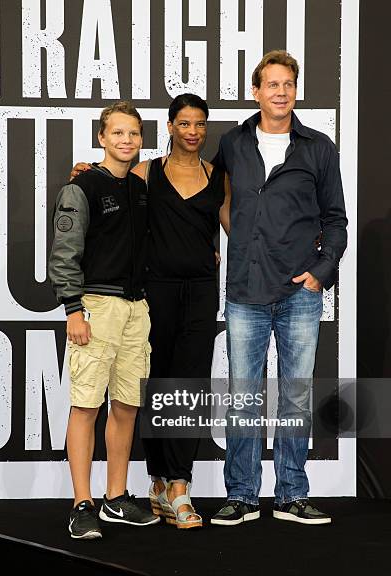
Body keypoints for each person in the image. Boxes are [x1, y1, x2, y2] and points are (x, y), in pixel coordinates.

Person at [72, 94, 229, 529]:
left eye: (200, 124)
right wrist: (84, 171)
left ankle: (181, 485)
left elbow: (239, 229)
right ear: (170, 127)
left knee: (190, 388)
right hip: (152, 292)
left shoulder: (218, 177)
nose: (193, 131)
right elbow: (110, 181)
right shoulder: (147, 172)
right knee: (154, 387)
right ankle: (157, 482)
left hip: (200, 292)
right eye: (184, 123)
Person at [210, 50, 347, 526]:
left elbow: (336, 220)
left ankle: (292, 494)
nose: (281, 92)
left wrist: (320, 271)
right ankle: (242, 496)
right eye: (272, 84)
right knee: (245, 395)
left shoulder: (318, 147)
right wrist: (241, 241)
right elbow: (203, 191)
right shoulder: (232, 143)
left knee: (295, 397)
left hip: (300, 294)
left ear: (295, 90)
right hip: (246, 289)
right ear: (256, 91)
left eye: (288, 84)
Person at [49, 101, 159, 539]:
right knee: (86, 405)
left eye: (133, 134)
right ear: (102, 137)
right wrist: (73, 309)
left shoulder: (140, 188)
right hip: (95, 307)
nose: (126, 141)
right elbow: (64, 254)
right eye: (117, 133)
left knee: (127, 405)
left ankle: (115, 498)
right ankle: (82, 503)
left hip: (137, 309)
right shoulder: (82, 187)